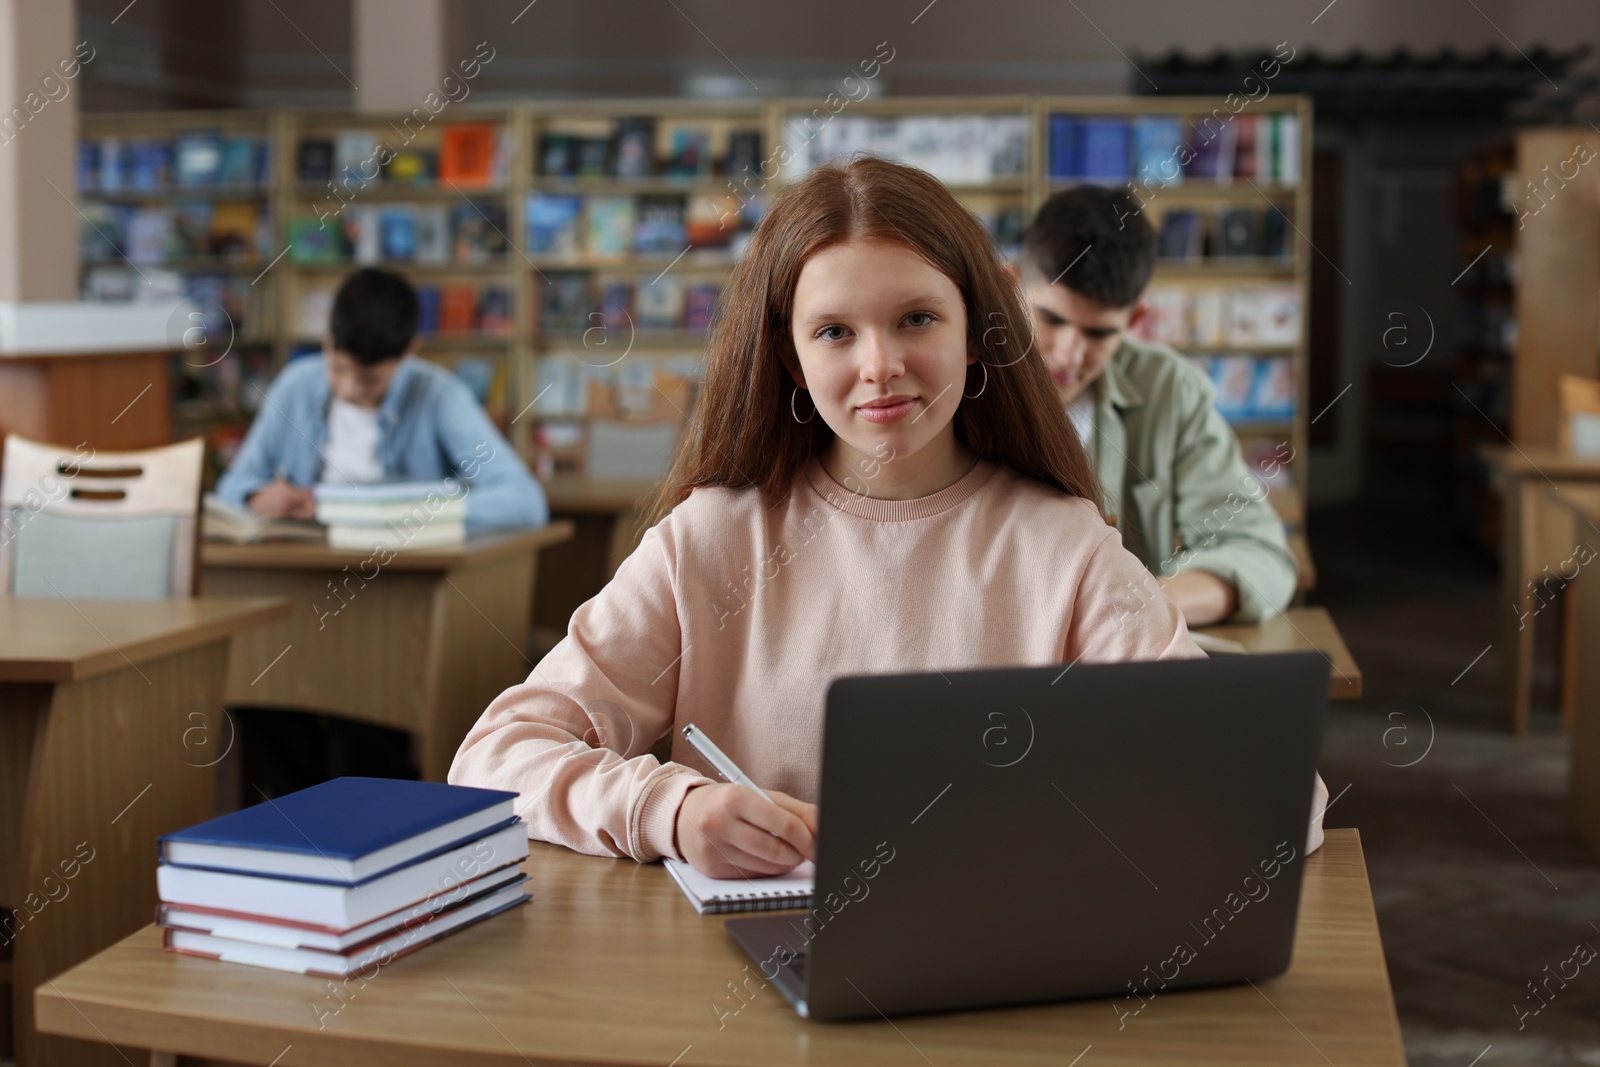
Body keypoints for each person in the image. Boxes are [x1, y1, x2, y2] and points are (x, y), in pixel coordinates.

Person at [449, 157, 1323, 878]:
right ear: (788, 355)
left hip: (989, 988)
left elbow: (1279, 792)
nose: (881, 366)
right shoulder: (707, 539)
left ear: (979, 330)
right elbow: (493, 758)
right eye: (834, 331)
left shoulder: (1064, 547)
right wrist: (668, 808)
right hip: (731, 996)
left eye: (916, 318)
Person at [1013, 187, 1297, 626]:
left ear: (1135, 320)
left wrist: (1138, 607)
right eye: (1051, 320)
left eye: (1099, 333)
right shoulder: (959, 380)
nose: (1069, 354)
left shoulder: (1170, 389)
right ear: (1011, 286)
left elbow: (1259, 555)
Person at [215, 267, 548, 531]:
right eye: (338, 368)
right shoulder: (296, 384)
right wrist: (255, 497)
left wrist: (409, 516)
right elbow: (234, 485)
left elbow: (524, 501)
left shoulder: (439, 395)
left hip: (401, 570)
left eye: (370, 380)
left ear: (409, 352)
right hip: (310, 563)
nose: (347, 390)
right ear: (328, 343)